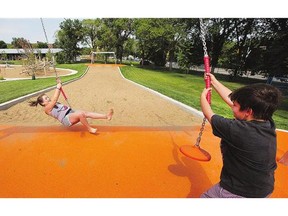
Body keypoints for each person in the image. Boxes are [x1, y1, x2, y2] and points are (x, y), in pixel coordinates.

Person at [200, 73, 282, 198]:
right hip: (263, 189)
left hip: (236, 192)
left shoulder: (237, 130)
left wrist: (203, 96)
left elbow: (209, 114)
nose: (232, 106)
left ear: (249, 111)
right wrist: (214, 82)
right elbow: (233, 100)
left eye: (235, 106)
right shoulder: (267, 121)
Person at [29, 81, 114, 134]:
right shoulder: (47, 109)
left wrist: (59, 84)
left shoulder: (51, 103)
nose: (49, 98)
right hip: (66, 119)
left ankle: (107, 116)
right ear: (43, 103)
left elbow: (55, 99)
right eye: (46, 99)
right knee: (81, 114)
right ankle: (89, 129)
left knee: (85, 113)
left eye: (47, 97)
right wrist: (57, 87)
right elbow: (55, 99)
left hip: (71, 112)